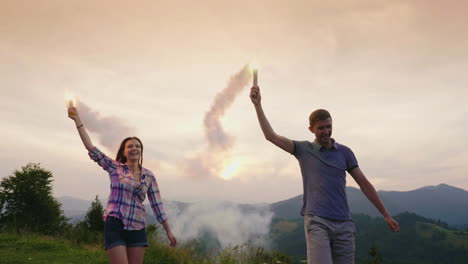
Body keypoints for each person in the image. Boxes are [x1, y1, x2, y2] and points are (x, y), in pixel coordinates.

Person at [249, 85, 399, 264]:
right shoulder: (303, 149)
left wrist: (385, 214)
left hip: (344, 223)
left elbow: (364, 184)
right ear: (311, 129)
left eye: (329, 127)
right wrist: (258, 105)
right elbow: (270, 136)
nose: (326, 132)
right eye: (321, 128)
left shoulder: (345, 153)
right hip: (317, 221)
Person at [68, 105, 177, 264]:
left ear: (141, 151)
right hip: (115, 224)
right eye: (130, 146)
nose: (134, 148)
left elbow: (157, 206)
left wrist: (168, 231)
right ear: (124, 151)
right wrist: (77, 120)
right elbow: (91, 148)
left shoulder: (149, 176)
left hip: (137, 226)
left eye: (137, 146)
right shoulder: (115, 168)